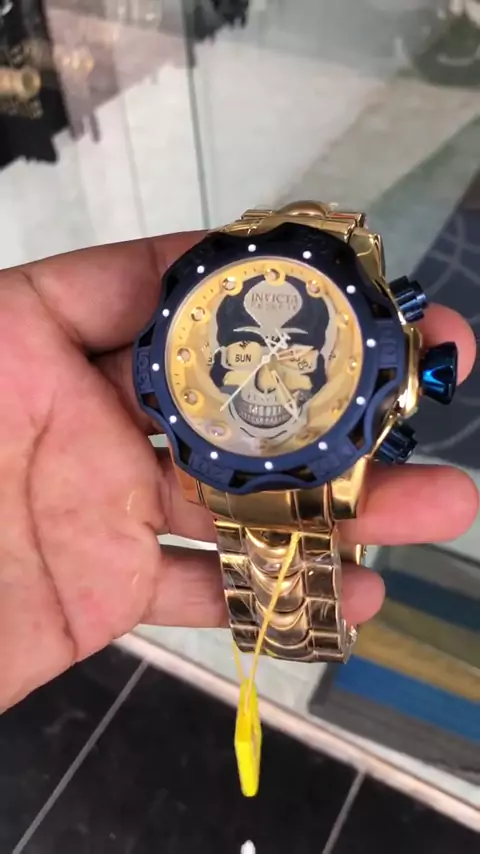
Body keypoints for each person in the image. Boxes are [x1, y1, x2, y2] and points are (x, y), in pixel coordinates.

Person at [0, 232, 477, 711]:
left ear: (405, 372)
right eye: (243, 353)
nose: (266, 379)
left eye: (296, 358)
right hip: (220, 463)